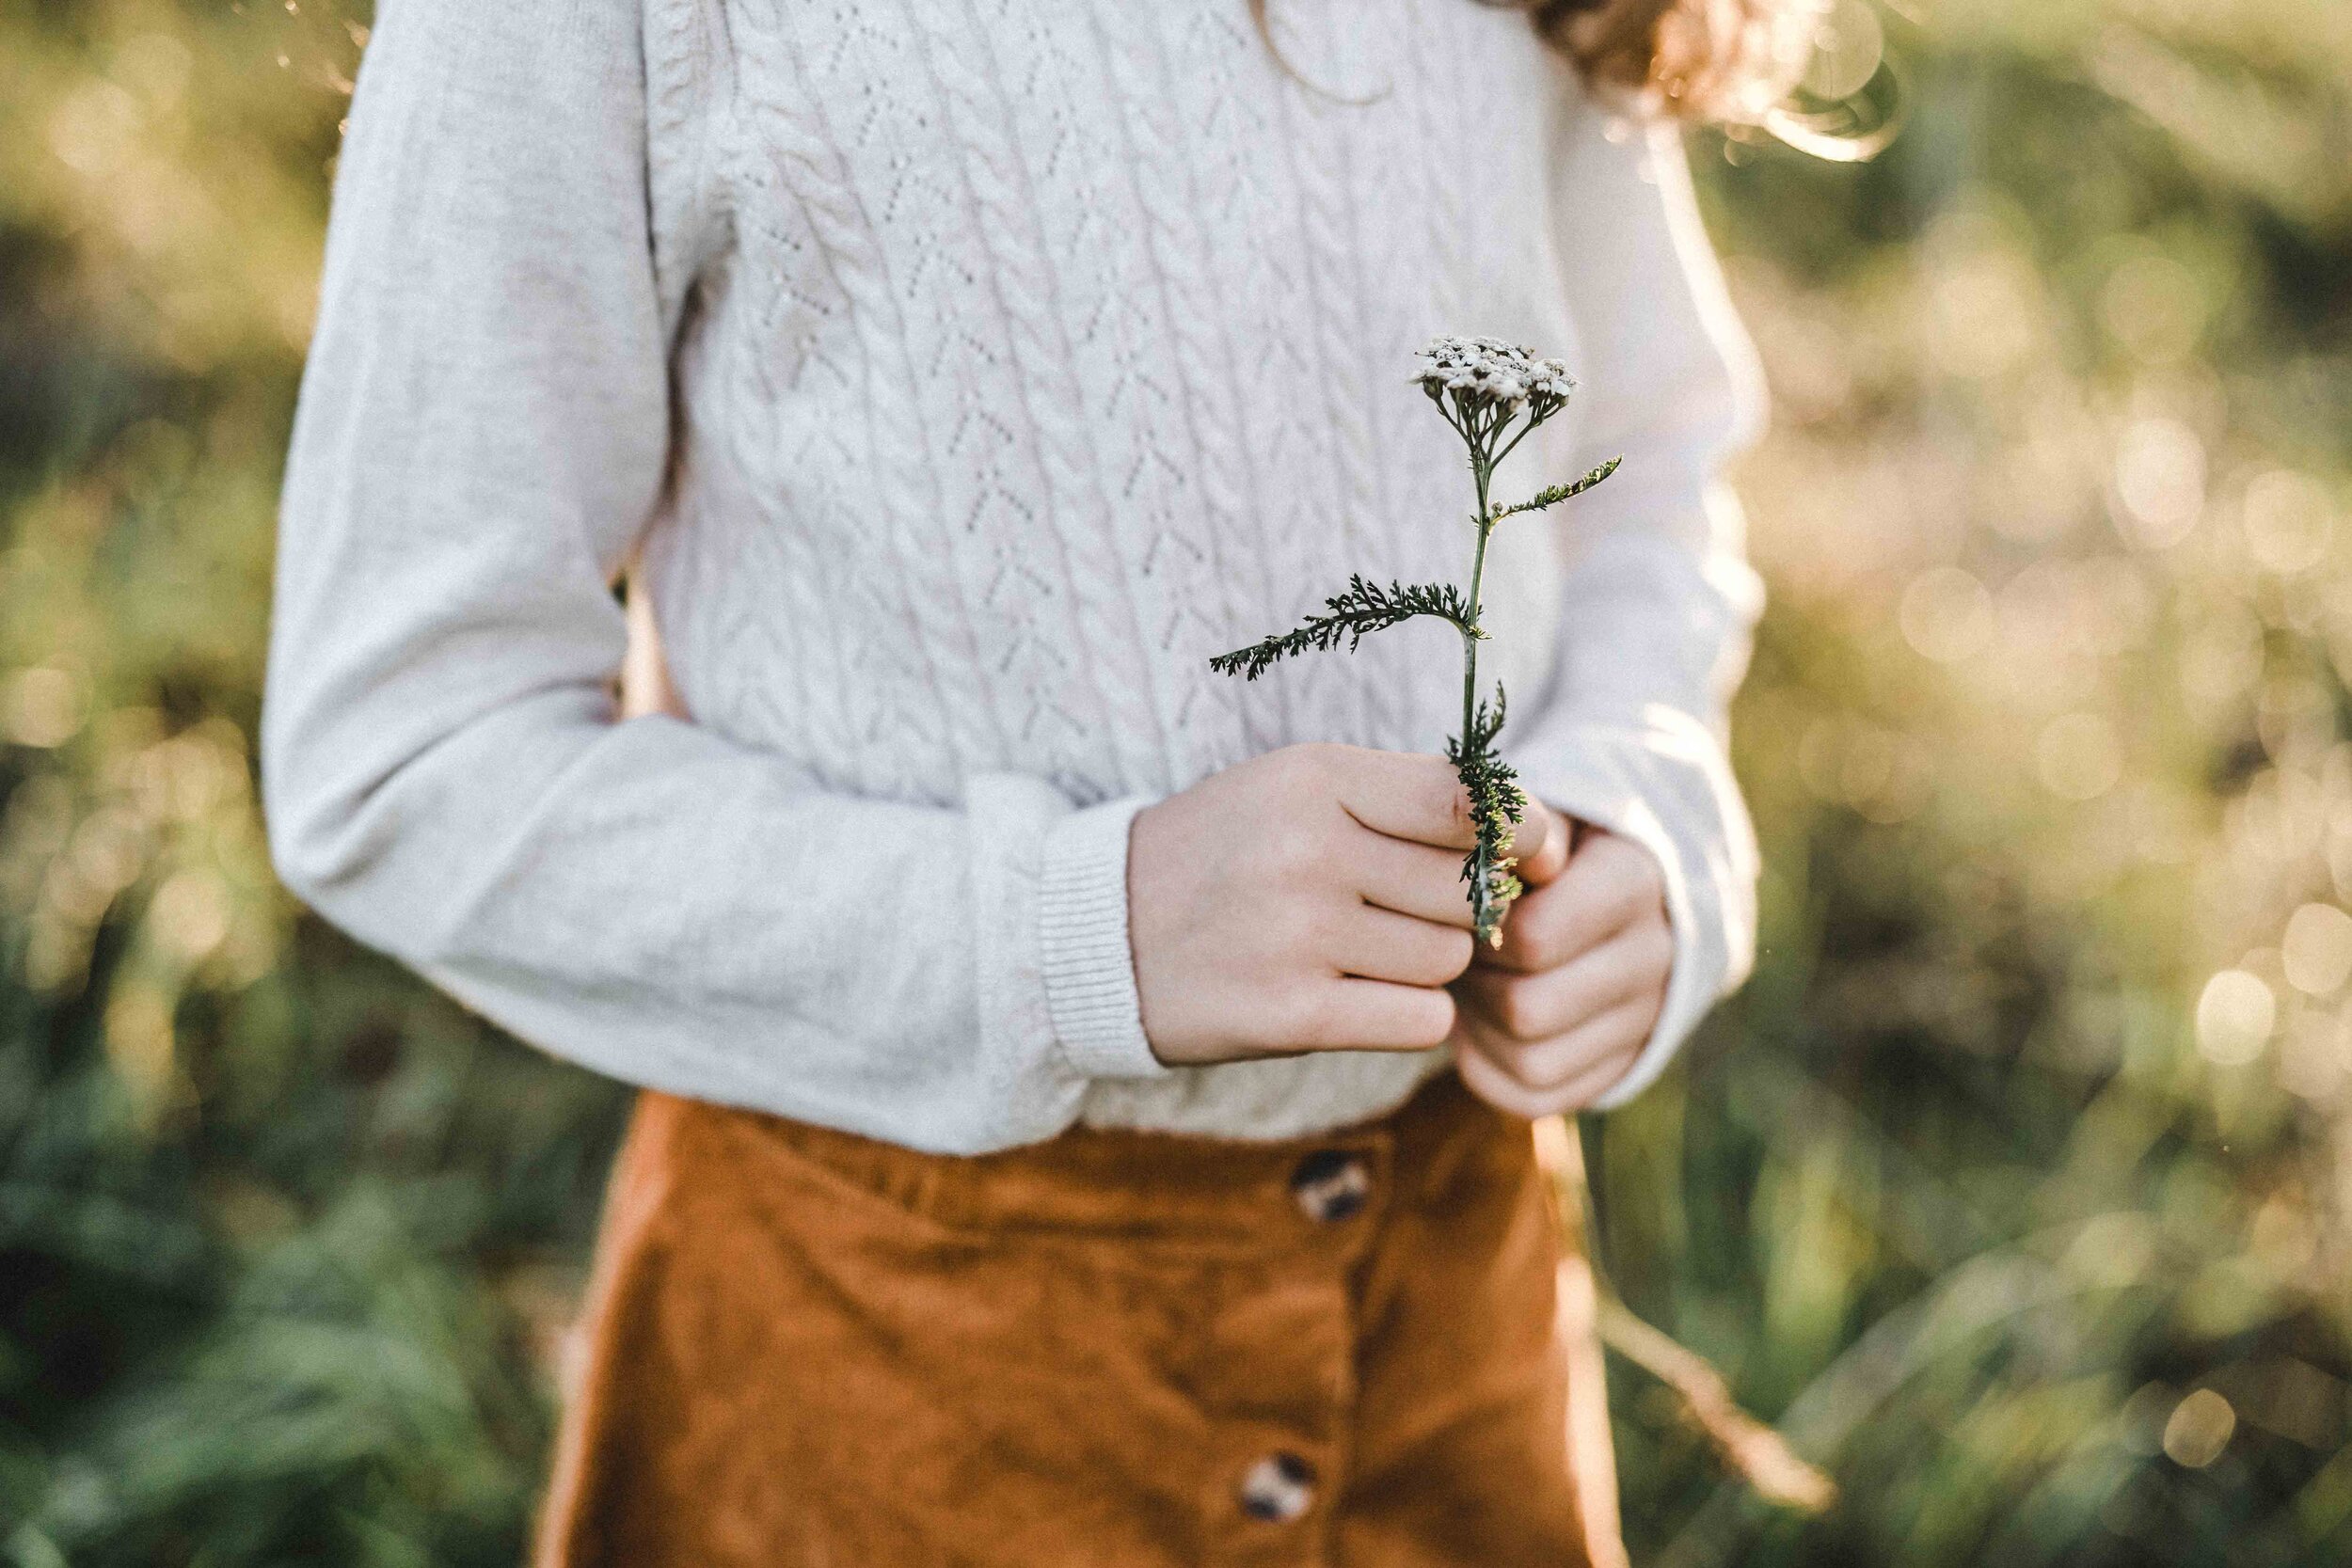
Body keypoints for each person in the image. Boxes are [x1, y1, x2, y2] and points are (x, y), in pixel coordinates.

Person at [262, 0, 1793, 1560]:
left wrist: (1641, 806)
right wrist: (1079, 932)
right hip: (888, 1350)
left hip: (1460, 1292)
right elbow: (403, 753)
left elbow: (1646, 457)